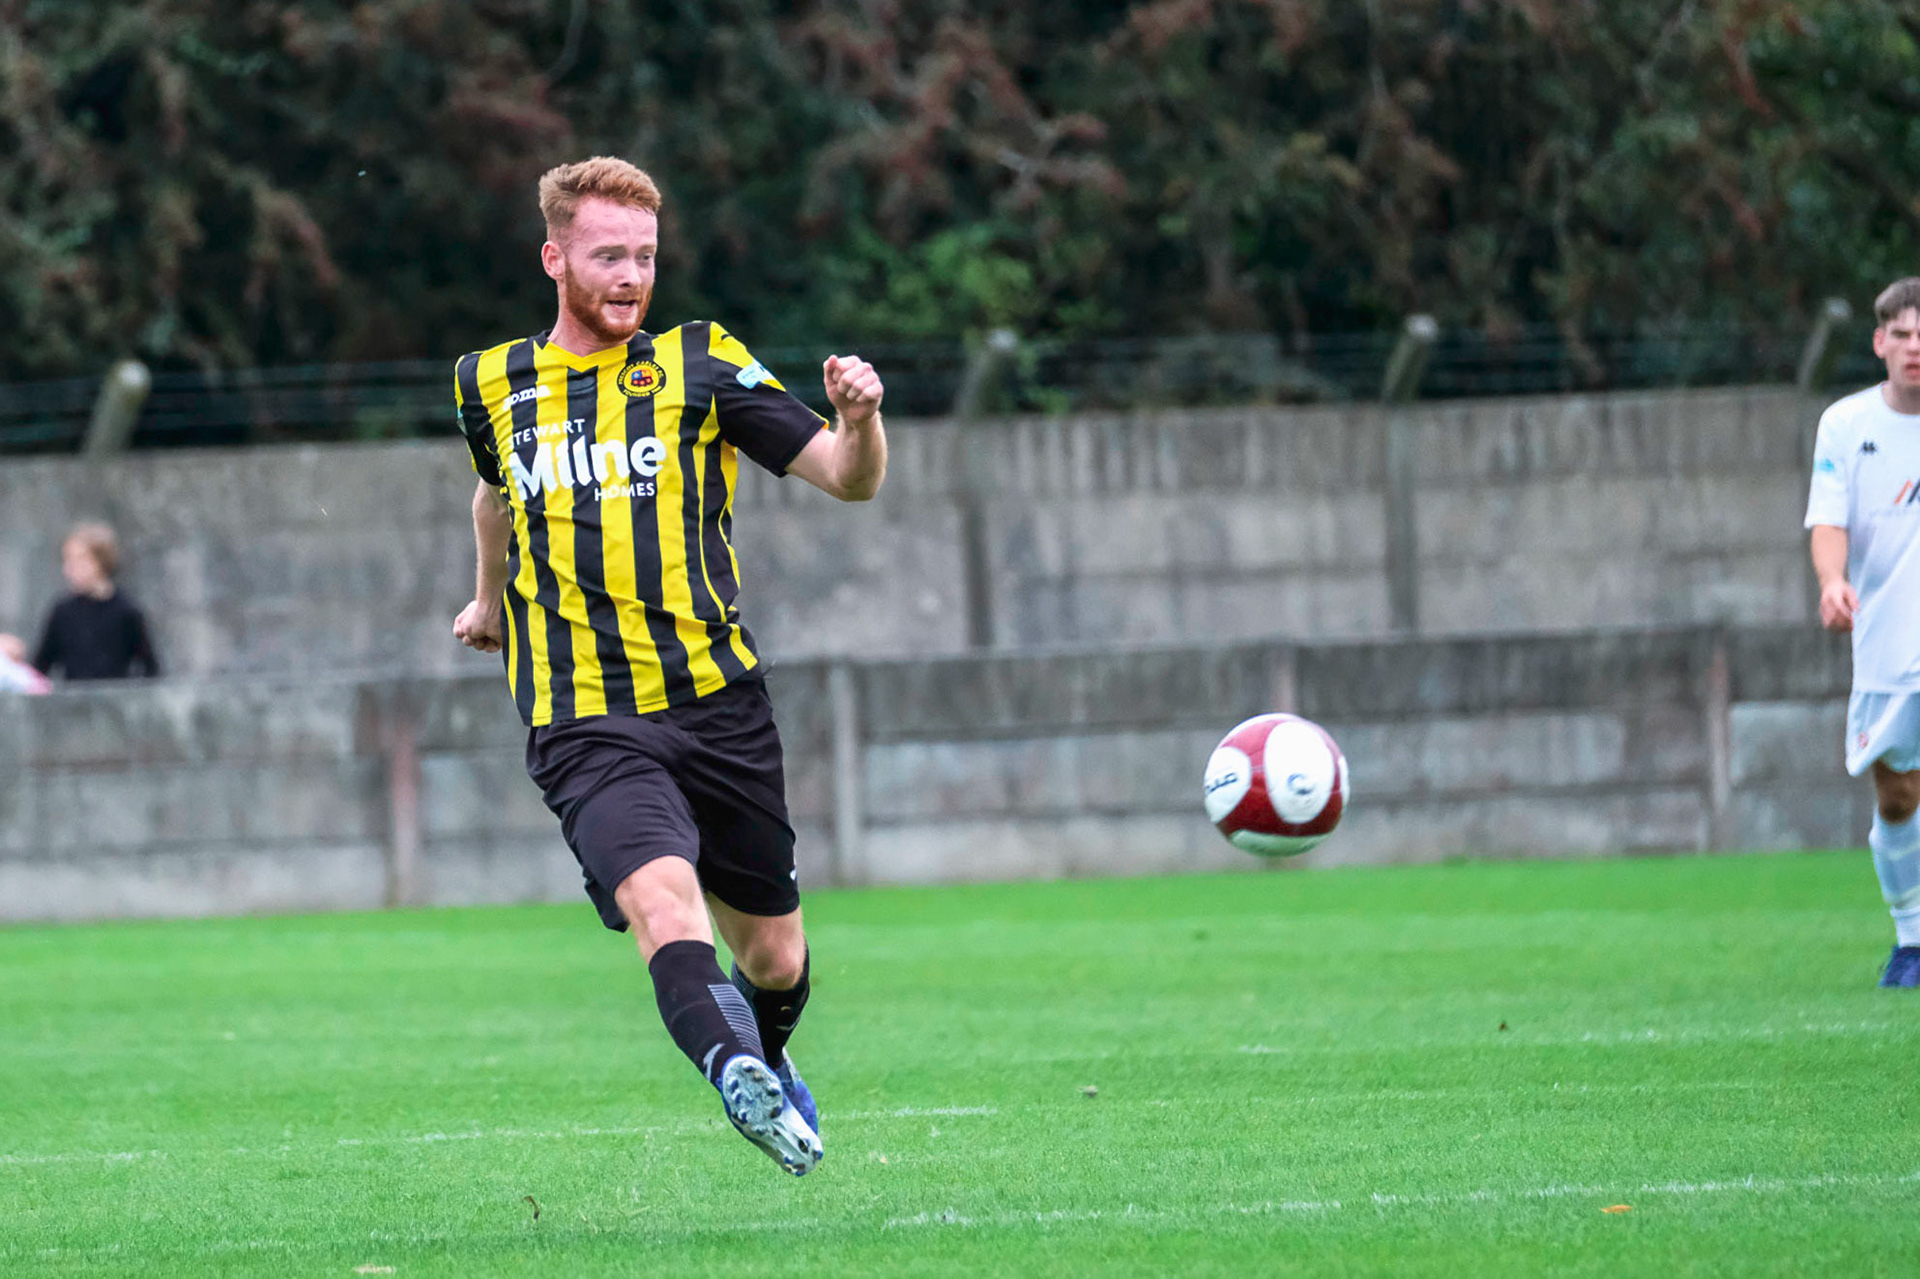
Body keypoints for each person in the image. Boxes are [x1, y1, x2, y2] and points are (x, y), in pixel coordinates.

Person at [449, 156, 887, 1175]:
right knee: (662, 903)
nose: (631, 277)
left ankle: (762, 1048)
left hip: (718, 702)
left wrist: (861, 423)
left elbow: (845, 479)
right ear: (554, 259)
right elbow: (493, 490)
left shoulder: (701, 363)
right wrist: (488, 599)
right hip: (583, 718)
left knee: (775, 957)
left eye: (645, 257)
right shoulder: (489, 382)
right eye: (609, 256)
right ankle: (735, 1070)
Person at [1808, 277, 1920, 987]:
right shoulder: (1846, 425)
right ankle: (1912, 939)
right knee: (1898, 795)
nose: (1915, 348)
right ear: (1880, 342)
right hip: (1886, 649)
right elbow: (1828, 521)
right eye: (1902, 335)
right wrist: (1832, 581)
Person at [32, 522, 161, 682]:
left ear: (100, 561)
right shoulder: (62, 612)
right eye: (67, 560)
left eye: (79, 559)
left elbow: (151, 668)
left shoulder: (126, 611)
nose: (69, 568)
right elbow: (40, 667)